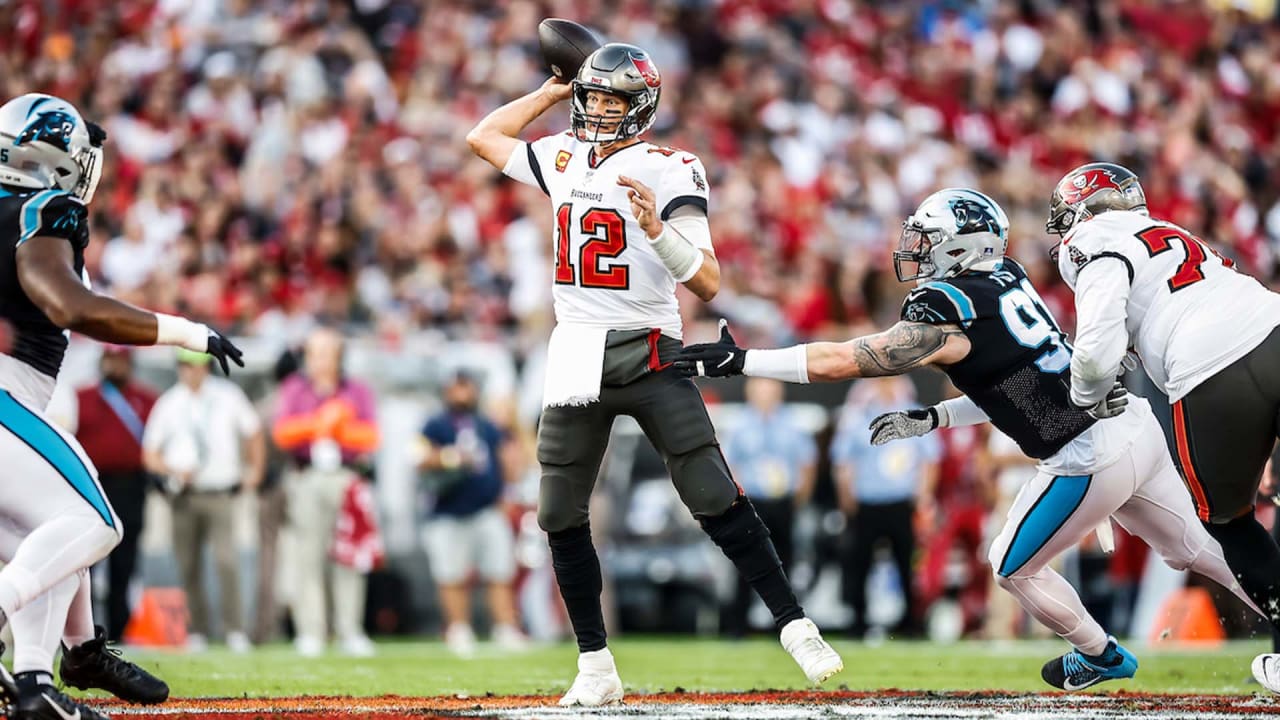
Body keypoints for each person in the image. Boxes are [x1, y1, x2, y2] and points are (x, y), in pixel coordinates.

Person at [675, 187, 1265, 692]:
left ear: (962, 244)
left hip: (1086, 454)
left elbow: (847, 359)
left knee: (1010, 567)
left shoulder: (947, 303)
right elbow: (1012, 386)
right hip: (1133, 425)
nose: (917, 251)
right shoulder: (1009, 278)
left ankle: (1100, 653)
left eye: (927, 239)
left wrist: (743, 360)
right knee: (1201, 549)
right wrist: (937, 420)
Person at [466, 43, 841, 706]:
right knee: (556, 510)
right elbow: (483, 135)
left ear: (641, 107)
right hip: (578, 348)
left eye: (613, 100)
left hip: (648, 345)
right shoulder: (562, 152)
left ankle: (795, 625)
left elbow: (708, 280)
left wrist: (653, 228)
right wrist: (553, 92)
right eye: (592, 98)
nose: (600, 110)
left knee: (711, 491)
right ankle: (594, 663)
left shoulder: (671, 168)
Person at [0, 92, 241, 720]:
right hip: (4, 395)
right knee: (96, 521)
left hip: (15, 401)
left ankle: (39, 681)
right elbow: (67, 305)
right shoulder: (44, 207)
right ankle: (60, 649)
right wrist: (189, 331)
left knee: (52, 537)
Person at [1043, 162, 1280, 690]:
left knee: (1228, 521)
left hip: (1209, 365)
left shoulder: (1092, 241)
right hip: (1273, 323)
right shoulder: (1172, 231)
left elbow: (1097, 356)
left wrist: (1083, 399)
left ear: (1083, 210)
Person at [142, 349, 265, 653]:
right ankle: (197, 629)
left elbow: (254, 432)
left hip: (221, 491)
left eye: (194, 366)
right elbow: (150, 453)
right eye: (184, 366)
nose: (189, 372)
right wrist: (172, 470)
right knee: (188, 564)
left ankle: (235, 629)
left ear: (206, 368)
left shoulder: (227, 396)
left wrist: (255, 471)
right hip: (183, 495)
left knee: (227, 560)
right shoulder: (170, 402)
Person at [272, 327, 379, 658]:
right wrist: (320, 422)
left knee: (350, 556)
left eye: (325, 353)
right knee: (308, 556)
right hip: (306, 476)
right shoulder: (294, 388)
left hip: (346, 477)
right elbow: (282, 433)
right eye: (314, 353)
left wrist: (340, 426)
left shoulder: (357, 390)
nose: (318, 360)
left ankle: (350, 630)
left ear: (337, 356)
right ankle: (311, 631)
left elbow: (371, 436)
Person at [418, 370, 524, 655]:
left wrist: (505, 492)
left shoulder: (485, 425)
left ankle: (505, 627)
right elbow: (418, 457)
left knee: (499, 571)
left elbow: (504, 459)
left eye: (466, 388)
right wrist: (451, 458)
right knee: (451, 574)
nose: (462, 394)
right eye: (457, 388)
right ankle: (458, 628)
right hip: (448, 511)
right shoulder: (434, 424)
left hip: (486, 509)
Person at [830, 376, 937, 639]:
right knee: (860, 564)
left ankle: (912, 620)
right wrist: (847, 499)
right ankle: (858, 619)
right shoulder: (858, 418)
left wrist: (923, 495)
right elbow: (844, 461)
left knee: (907, 563)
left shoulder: (915, 414)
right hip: (867, 501)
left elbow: (930, 459)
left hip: (902, 501)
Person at [71, 346, 156, 642]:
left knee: (125, 562)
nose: (114, 365)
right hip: (93, 487)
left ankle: (119, 631)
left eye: (119, 360)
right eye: (110, 359)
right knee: (87, 562)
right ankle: (85, 632)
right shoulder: (83, 398)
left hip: (131, 486)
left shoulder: (147, 399)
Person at [720, 378, 815, 637]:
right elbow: (730, 464)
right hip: (753, 502)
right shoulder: (740, 426)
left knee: (786, 562)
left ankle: (786, 623)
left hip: (783, 502)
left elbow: (806, 463)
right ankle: (737, 624)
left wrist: (799, 498)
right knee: (745, 562)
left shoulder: (792, 424)